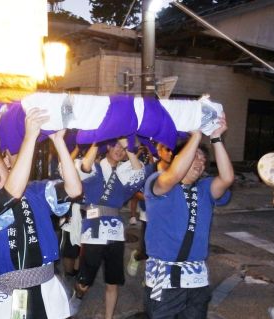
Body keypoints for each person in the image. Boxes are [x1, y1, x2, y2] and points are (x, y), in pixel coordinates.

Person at [0, 108, 82, 319]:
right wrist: (30, 136)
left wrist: (58, 142)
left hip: (47, 284)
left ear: (6, 161)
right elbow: (12, 193)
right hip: (13, 292)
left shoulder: (37, 190)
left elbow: (74, 190)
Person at [143, 114, 234, 318]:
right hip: (164, 279)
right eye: (194, 157)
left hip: (196, 279)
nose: (200, 163)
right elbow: (174, 176)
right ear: (179, 159)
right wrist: (195, 136)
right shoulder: (158, 183)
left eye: (203, 161)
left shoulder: (205, 188)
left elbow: (227, 178)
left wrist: (217, 138)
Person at [70, 138, 146, 319]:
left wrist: (129, 147)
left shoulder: (124, 171)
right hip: (92, 233)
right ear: (108, 147)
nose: (120, 150)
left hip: (116, 234)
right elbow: (84, 168)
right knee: (84, 282)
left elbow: (139, 173)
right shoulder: (94, 167)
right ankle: (78, 294)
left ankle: (108, 317)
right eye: (116, 145)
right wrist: (97, 139)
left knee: (113, 282)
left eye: (123, 147)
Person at [127, 142, 173, 277]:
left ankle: (153, 279)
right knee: (147, 250)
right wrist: (150, 198)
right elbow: (134, 191)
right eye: (167, 149)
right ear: (159, 151)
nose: (171, 153)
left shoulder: (177, 171)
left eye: (173, 150)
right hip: (149, 215)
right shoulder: (149, 170)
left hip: (169, 216)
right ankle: (136, 255)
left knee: (164, 249)